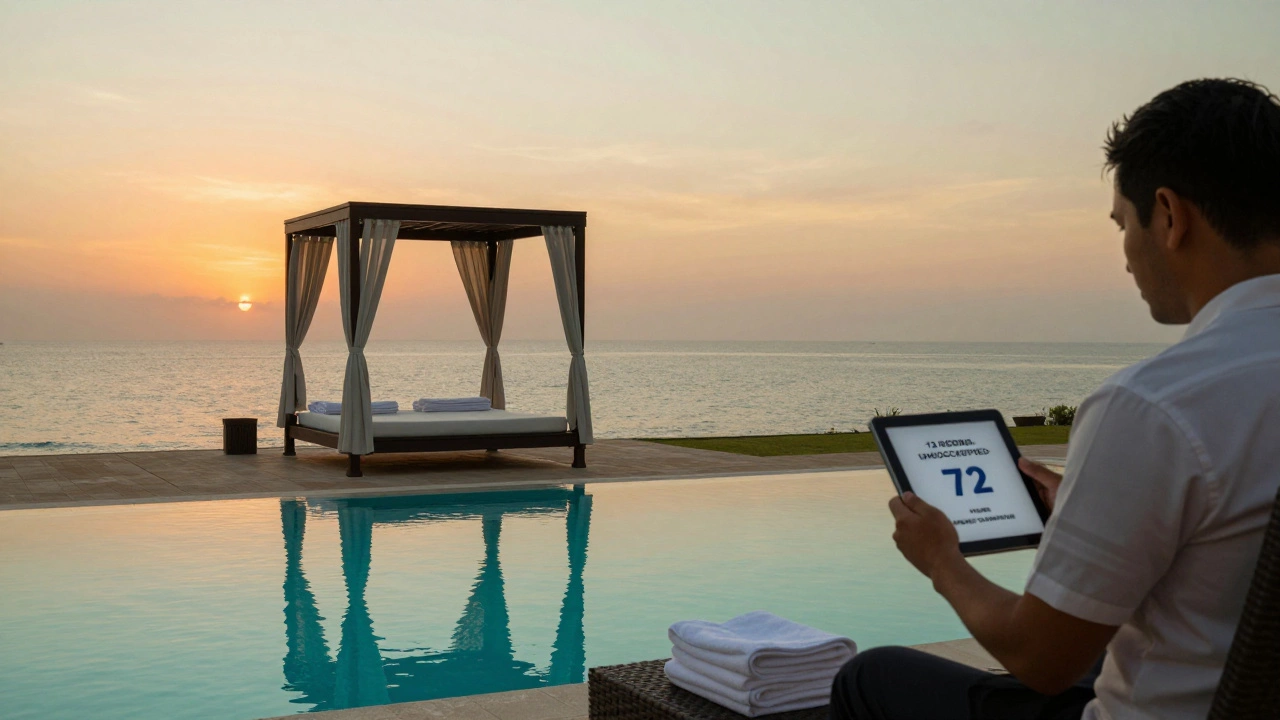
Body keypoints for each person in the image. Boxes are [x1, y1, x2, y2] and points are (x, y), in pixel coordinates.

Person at [830, 78, 1280, 720]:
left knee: (871, 676)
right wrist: (1098, 512)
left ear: (1171, 217)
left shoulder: (1155, 406)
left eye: (1124, 224)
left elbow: (1040, 660)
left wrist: (942, 560)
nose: (1126, 255)